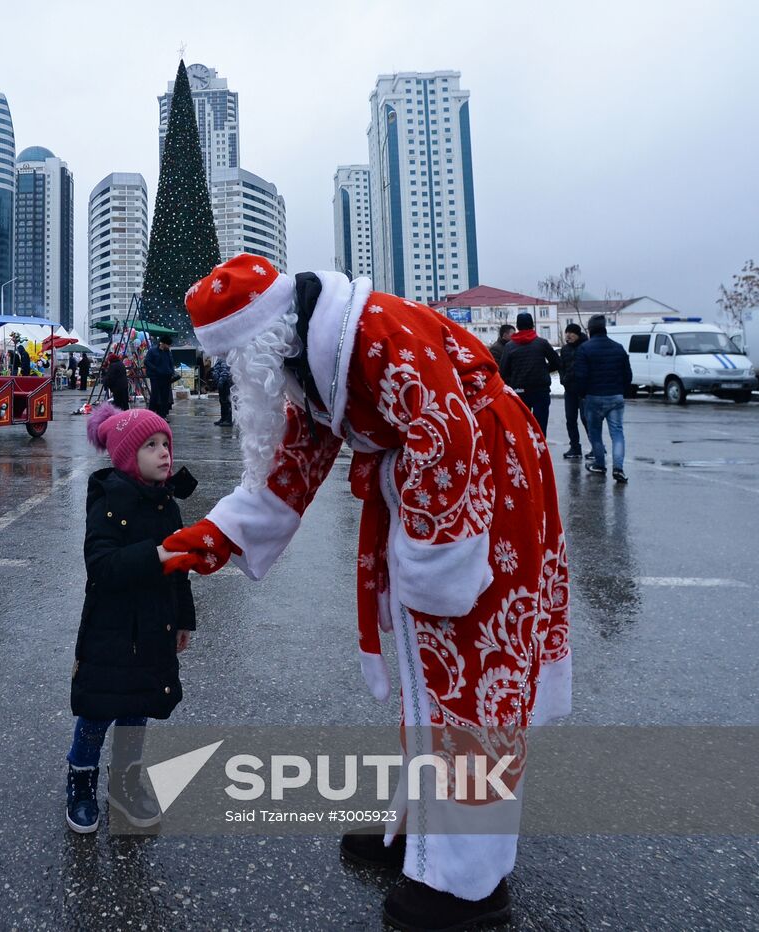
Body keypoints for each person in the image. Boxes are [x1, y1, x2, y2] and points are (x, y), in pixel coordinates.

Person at [162, 255, 570, 930]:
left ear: (263, 340)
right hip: (444, 499)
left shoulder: (375, 335)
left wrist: (437, 567)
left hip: (485, 498)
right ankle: (427, 835)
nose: (235, 376)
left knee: (472, 678)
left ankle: (469, 883)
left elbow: (446, 435)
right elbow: (293, 464)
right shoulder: (313, 360)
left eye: (235, 359)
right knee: (428, 679)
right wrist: (214, 536)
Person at [67, 402, 197, 834]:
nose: (164, 453)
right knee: (99, 709)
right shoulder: (110, 501)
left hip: (154, 628)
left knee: (138, 707)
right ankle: (81, 779)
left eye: (166, 444)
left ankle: (124, 781)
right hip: (112, 629)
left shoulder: (167, 504)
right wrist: (155, 554)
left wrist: (183, 619)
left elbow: (179, 570)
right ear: (127, 455)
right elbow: (101, 566)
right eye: (151, 445)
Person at [573, 314, 631, 483]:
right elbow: (627, 374)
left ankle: (600, 464)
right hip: (615, 397)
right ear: (604, 329)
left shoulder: (585, 349)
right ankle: (618, 468)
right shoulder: (618, 348)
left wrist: (582, 394)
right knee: (617, 434)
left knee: (595, 434)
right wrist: (623, 391)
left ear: (590, 330)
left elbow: (581, 376)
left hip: (594, 397)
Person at [498, 311, 560, 433]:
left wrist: (514, 381)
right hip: (540, 391)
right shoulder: (541, 343)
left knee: (521, 427)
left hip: (519, 392)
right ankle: (540, 451)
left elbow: (503, 371)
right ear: (532, 325)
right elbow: (557, 362)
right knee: (540, 427)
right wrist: (544, 370)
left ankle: (526, 451)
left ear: (517, 326)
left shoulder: (510, 346)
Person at [558, 323, 587, 458]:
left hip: (584, 390)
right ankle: (575, 447)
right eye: (567, 333)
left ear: (578, 334)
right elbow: (561, 366)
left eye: (571, 333)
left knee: (586, 419)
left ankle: (597, 448)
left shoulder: (585, 347)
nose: (568, 335)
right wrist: (563, 379)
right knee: (570, 419)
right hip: (569, 390)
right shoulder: (564, 349)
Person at [143, 335, 176, 418]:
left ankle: (163, 415)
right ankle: (150, 414)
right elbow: (146, 361)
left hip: (166, 377)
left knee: (165, 397)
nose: (169, 346)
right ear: (163, 344)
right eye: (168, 345)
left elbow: (170, 362)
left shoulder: (167, 351)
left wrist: (172, 371)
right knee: (155, 396)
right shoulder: (152, 351)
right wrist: (155, 369)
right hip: (156, 377)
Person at [211, 356, 233, 426]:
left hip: (225, 383)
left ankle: (228, 420)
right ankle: (223, 418)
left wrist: (221, 381)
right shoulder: (220, 357)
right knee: (222, 401)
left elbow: (225, 371)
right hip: (222, 382)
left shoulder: (225, 358)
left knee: (226, 402)